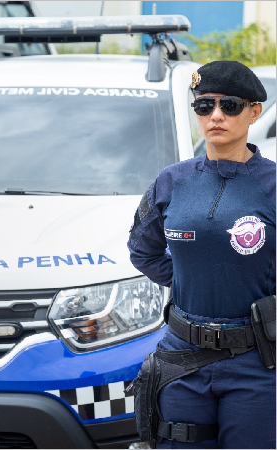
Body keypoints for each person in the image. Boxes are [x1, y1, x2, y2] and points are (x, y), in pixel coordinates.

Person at [128, 60, 276, 449]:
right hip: (182, 359)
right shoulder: (170, 181)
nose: (216, 115)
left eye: (230, 105)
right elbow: (142, 251)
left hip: (258, 363)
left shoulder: (273, 185)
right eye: (204, 105)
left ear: (254, 112)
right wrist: (188, 279)